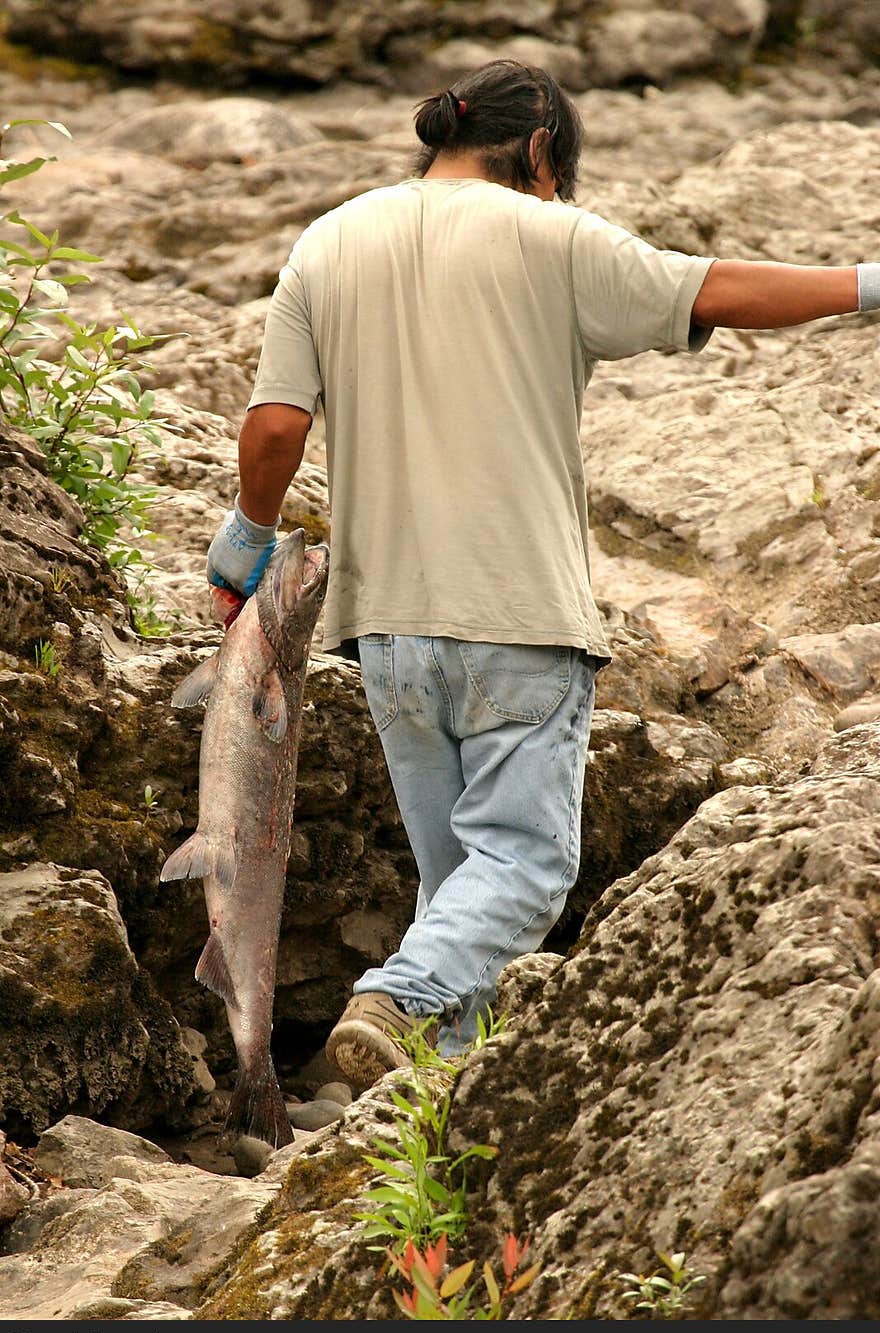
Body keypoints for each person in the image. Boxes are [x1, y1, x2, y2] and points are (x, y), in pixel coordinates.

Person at [206, 59, 876, 1089]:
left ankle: (429, 1118)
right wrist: (871, 285)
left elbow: (276, 427)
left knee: (459, 885)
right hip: (516, 614)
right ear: (538, 153)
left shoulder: (329, 240)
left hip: (387, 627)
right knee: (522, 869)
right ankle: (398, 994)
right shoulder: (554, 235)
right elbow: (723, 289)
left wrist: (243, 551)